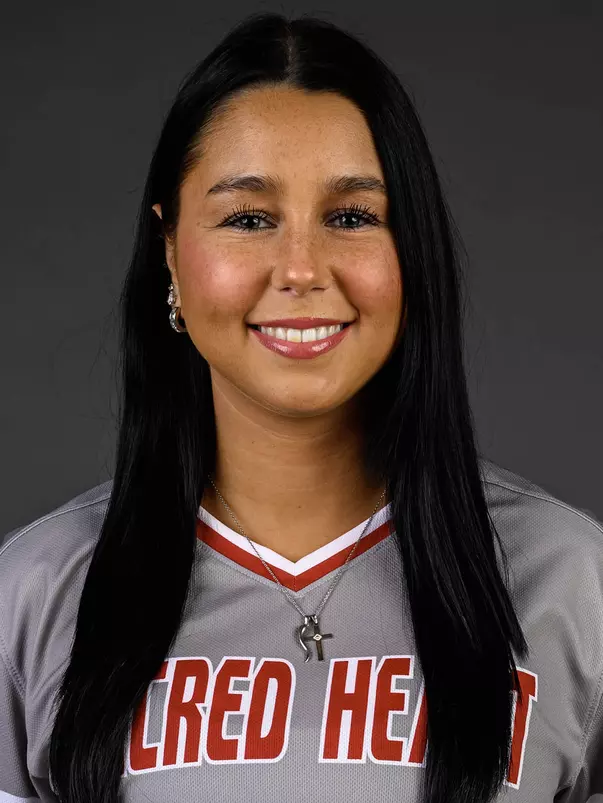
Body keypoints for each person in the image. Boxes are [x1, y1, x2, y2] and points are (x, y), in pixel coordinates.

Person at [1, 11, 602, 803]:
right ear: (170, 253)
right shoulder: (35, 593)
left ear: (409, 249)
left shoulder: (572, 583)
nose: (300, 269)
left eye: (350, 217)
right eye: (248, 219)